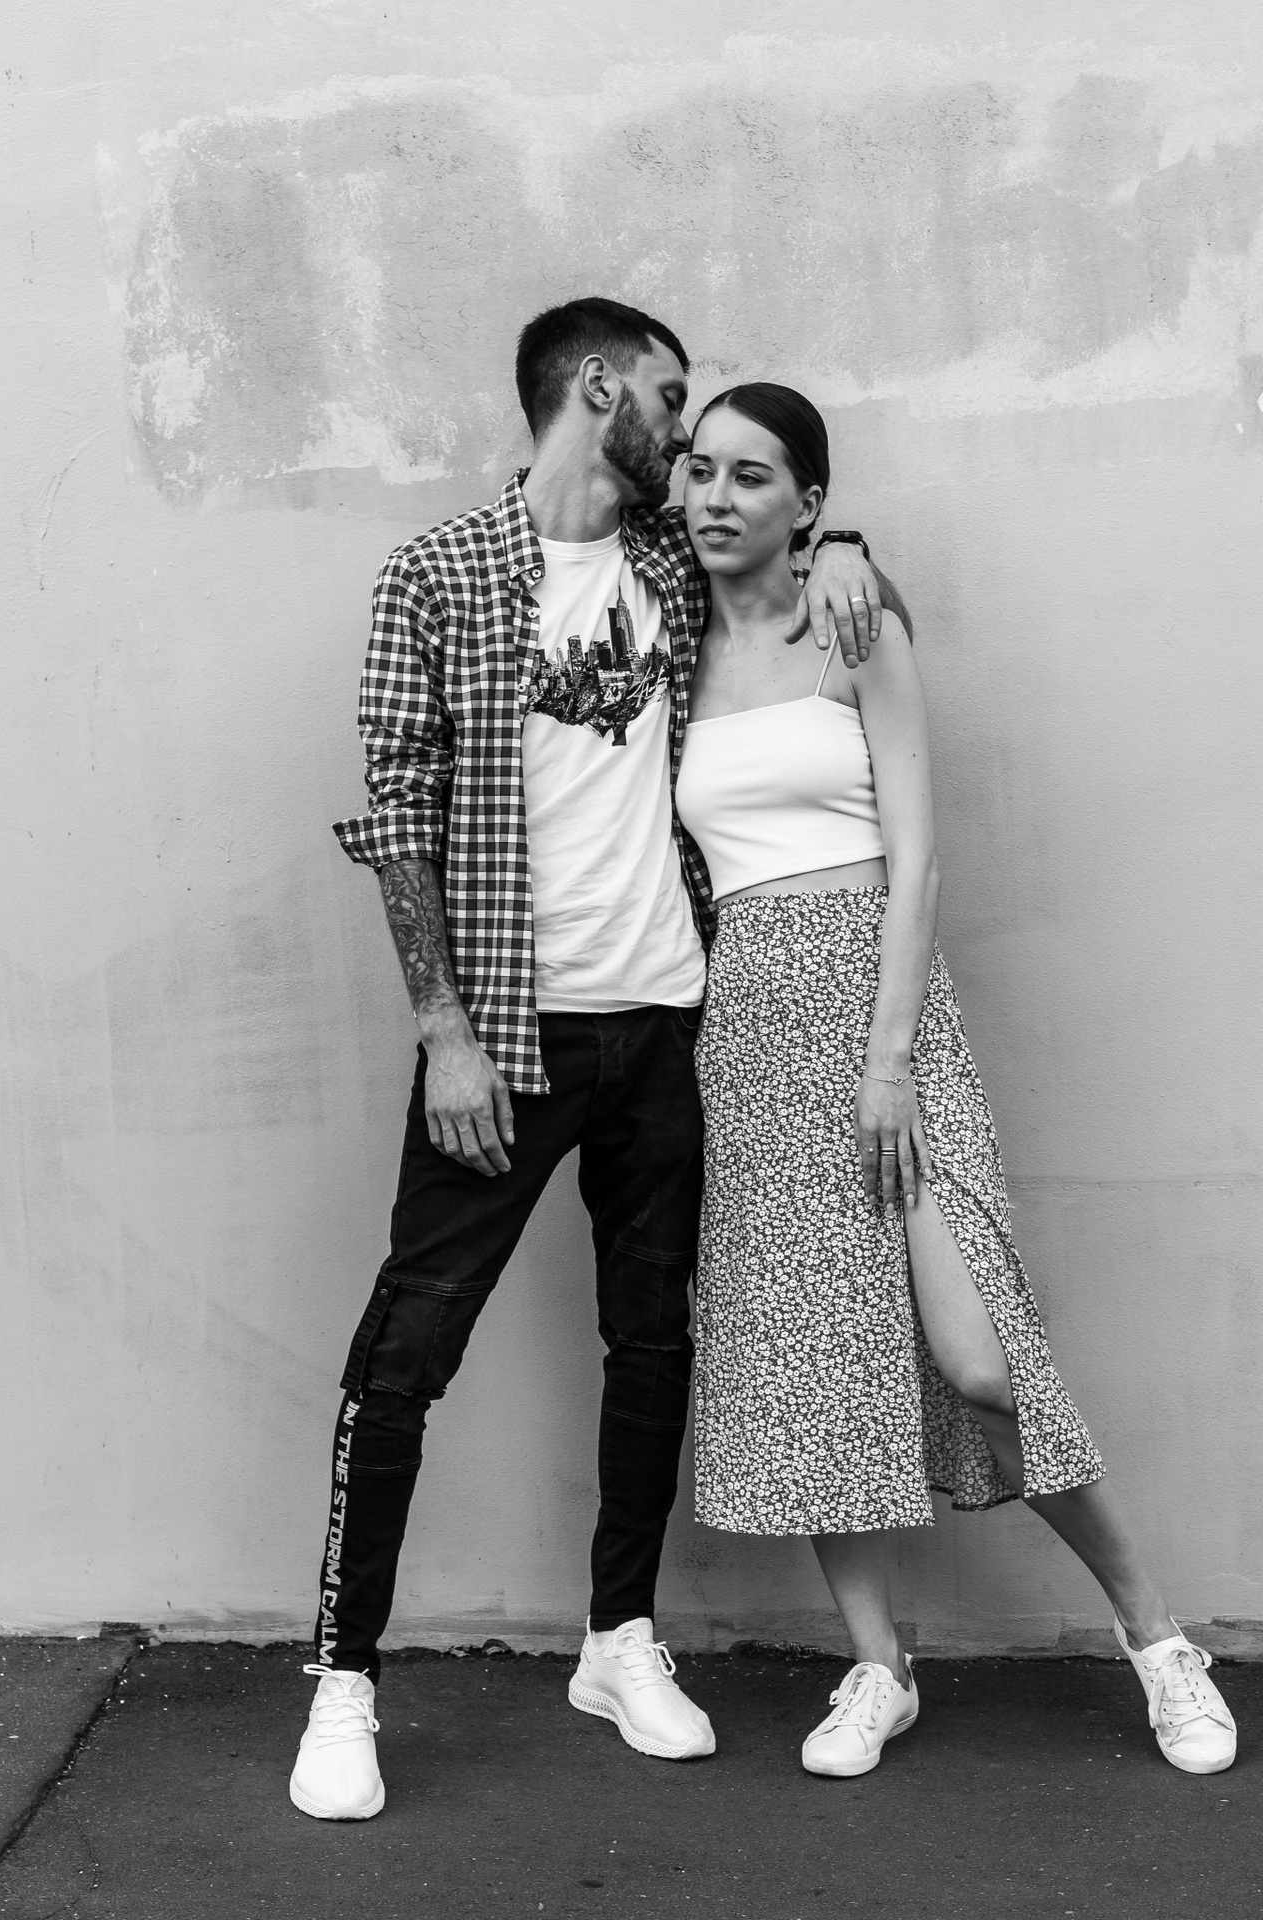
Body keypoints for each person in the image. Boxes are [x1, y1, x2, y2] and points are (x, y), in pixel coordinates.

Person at [288, 301, 899, 1820]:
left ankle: (618, 1640)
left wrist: (849, 545)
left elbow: (794, 562)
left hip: (672, 1024)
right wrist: (443, 1032)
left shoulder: (670, 562)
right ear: (603, 388)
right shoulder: (438, 574)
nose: (689, 443)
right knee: (408, 1351)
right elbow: (398, 811)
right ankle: (344, 1684)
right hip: (506, 1039)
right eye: (673, 404)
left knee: (651, 1345)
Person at [674, 382, 1237, 1781]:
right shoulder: (668, 647)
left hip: (883, 1015)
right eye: (699, 469)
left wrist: (889, 1063)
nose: (717, 497)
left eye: (753, 476)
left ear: (809, 503)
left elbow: (917, 856)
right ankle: (879, 1665)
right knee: (809, 1358)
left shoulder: (856, 622)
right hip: (749, 1033)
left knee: (982, 1361)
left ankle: (1159, 1638)